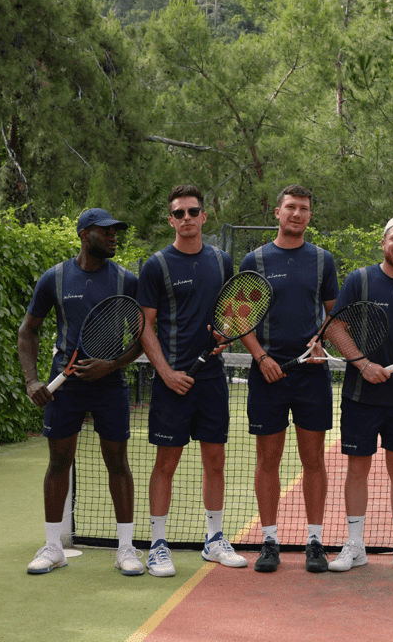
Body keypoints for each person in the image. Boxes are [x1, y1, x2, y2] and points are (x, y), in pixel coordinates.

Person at [19, 208, 143, 576]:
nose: (112, 237)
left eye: (115, 232)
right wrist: (31, 380)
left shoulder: (126, 281)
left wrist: (113, 364)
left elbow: (141, 339)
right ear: (84, 234)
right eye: (105, 232)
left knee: (118, 462)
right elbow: (29, 331)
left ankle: (125, 549)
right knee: (59, 462)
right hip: (65, 385)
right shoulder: (54, 278)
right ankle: (53, 547)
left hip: (111, 384)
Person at [138, 185, 248, 577]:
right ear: (171, 220)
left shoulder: (221, 261)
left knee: (215, 460)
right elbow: (145, 327)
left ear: (205, 217)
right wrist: (166, 373)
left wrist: (226, 333)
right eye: (179, 213)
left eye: (193, 211)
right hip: (173, 384)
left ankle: (214, 540)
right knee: (165, 463)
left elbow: (231, 313)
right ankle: (157, 545)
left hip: (212, 380)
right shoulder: (156, 266)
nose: (186, 218)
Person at [237, 185, 339, 573]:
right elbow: (240, 316)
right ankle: (269, 541)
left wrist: (322, 341)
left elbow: (334, 314)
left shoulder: (321, 260)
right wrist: (260, 357)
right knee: (269, 459)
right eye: (291, 207)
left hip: (311, 375)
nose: (297, 214)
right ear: (278, 212)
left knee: (313, 459)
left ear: (309, 216)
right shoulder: (256, 259)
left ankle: (315, 541)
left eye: (304, 209)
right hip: (268, 375)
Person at [327, 216, 393, 574]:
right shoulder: (360, 279)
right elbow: (336, 327)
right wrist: (362, 363)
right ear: (384, 243)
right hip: (360, 395)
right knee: (357, 470)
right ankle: (355, 545)